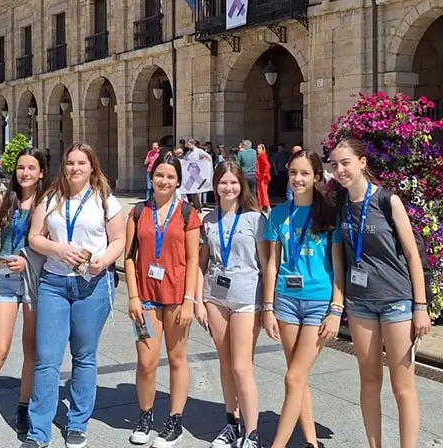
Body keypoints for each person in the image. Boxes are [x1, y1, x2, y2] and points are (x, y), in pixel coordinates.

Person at [328, 138, 431, 448]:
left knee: (402, 385)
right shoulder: (341, 205)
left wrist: (421, 306)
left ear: (362, 163)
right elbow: (340, 256)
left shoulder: (388, 201)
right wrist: (338, 303)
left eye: (346, 162)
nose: (340, 169)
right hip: (360, 304)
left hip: (396, 301)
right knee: (369, 380)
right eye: (335, 164)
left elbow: (413, 256)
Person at [22, 142, 125, 448]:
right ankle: (38, 431)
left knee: (84, 357)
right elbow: (35, 237)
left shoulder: (105, 200)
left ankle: (77, 422)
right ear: (63, 167)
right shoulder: (51, 198)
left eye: (81, 163)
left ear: (92, 166)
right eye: (70, 163)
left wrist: (103, 261)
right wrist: (58, 248)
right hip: (54, 282)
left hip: (91, 285)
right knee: (47, 359)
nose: (75, 168)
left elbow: (119, 239)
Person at [262, 149, 344, 448]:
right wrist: (268, 307)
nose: (298, 178)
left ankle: (278, 445)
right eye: (294, 172)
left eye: (305, 173)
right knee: (298, 375)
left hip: (318, 303)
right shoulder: (279, 213)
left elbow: (338, 265)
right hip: (285, 301)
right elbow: (272, 263)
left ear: (317, 177)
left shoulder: (329, 213)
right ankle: (311, 441)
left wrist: (336, 308)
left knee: (294, 377)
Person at [0, 148, 47, 445]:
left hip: (33, 279)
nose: (25, 173)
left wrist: (30, 260)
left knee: (31, 348)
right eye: (21, 168)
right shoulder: (3, 200)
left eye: (31, 168)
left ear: (41, 172)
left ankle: (23, 407)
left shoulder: (47, 203)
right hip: (5, 279)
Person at [125, 154, 201, 448]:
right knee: (146, 361)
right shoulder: (137, 212)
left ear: (178, 181)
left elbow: (194, 259)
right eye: (160, 175)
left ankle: (175, 420)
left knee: (177, 358)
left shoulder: (187, 214)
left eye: (170, 177)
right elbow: (130, 257)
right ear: (151, 177)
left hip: (176, 297)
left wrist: (189, 300)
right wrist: (132, 296)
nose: (164, 181)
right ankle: (145, 416)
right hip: (145, 297)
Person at [195, 161, 268, 448]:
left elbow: (265, 264)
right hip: (215, 297)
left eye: (233, 182)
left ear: (241, 185)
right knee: (225, 364)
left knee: (241, 365)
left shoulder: (255, 219)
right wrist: (199, 300)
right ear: (215, 185)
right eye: (223, 182)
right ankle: (231, 423)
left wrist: (267, 305)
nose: (228, 187)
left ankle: (252, 433)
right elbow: (202, 262)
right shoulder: (209, 220)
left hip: (247, 298)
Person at [255, 144, 272, 212]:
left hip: (262, 177)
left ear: (262, 149)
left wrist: (263, 174)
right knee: (262, 192)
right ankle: (264, 206)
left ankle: (264, 206)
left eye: (259, 148)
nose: (257, 149)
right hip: (262, 177)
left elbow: (267, 165)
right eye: (257, 148)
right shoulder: (261, 156)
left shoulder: (261, 156)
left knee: (262, 192)